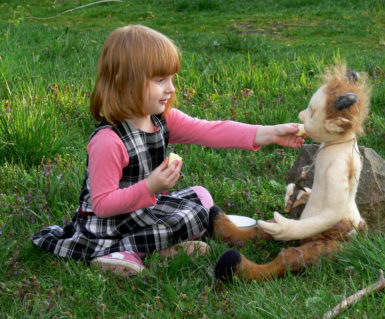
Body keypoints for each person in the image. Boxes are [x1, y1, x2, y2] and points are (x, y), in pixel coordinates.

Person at [31, 25, 305, 276]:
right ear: (124, 80)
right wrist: (150, 186)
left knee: (200, 197)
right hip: (106, 226)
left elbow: (210, 130)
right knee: (193, 217)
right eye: (160, 79)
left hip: (139, 210)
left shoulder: (160, 119)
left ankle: (163, 249)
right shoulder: (108, 140)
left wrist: (268, 132)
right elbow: (102, 205)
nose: (171, 88)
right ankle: (123, 253)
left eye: (171, 78)